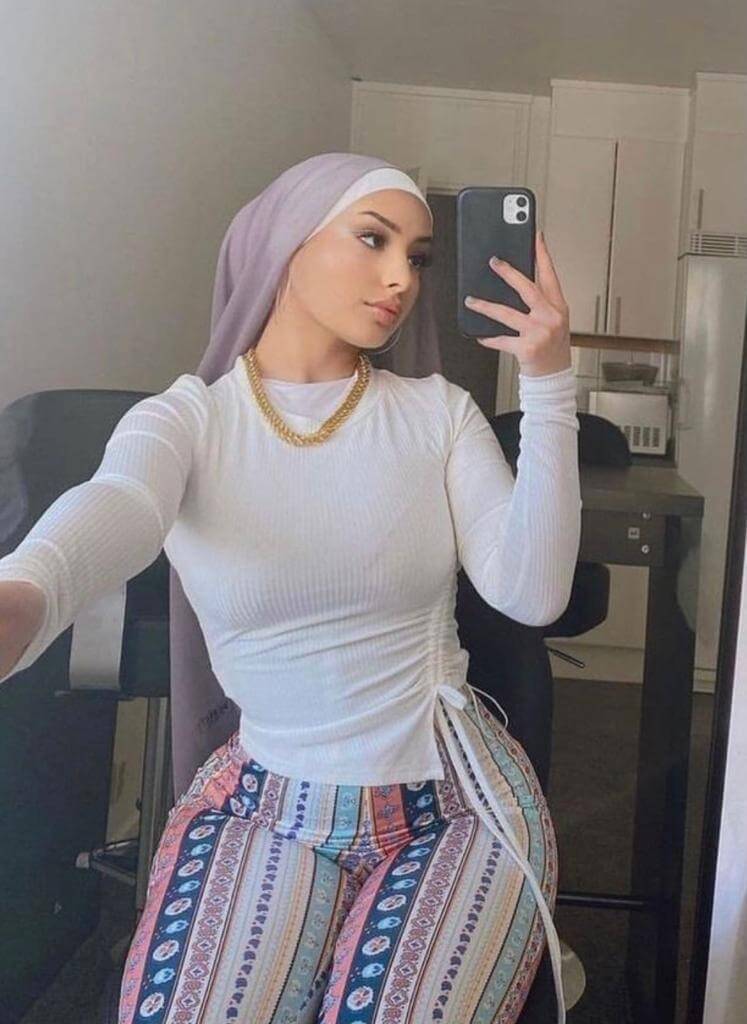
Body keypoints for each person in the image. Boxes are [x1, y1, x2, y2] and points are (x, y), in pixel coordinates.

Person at [0, 151, 581, 1024]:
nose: (401, 278)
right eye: (373, 238)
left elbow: (533, 595)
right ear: (284, 240)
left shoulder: (436, 413)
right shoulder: (187, 419)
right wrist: (24, 593)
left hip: (453, 803)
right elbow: (119, 504)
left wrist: (549, 383)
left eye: (418, 257)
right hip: (265, 802)